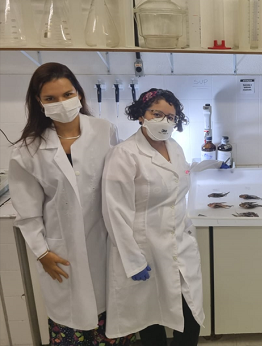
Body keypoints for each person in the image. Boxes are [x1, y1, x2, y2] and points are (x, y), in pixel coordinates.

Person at [8, 63, 134, 345]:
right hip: (61, 253)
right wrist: (42, 253)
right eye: (51, 98)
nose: (62, 103)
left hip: (106, 245)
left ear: (78, 94)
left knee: (113, 321)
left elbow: (122, 182)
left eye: (67, 94)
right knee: (72, 326)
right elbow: (27, 212)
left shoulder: (105, 131)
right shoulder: (28, 150)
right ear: (38, 103)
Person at [102, 89, 229, 346]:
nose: (164, 121)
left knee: (190, 318)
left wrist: (209, 164)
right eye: (156, 114)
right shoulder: (125, 154)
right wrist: (132, 260)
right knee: (152, 324)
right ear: (141, 115)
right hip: (146, 251)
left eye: (171, 117)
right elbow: (115, 212)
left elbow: (177, 177)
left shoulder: (174, 146)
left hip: (180, 243)